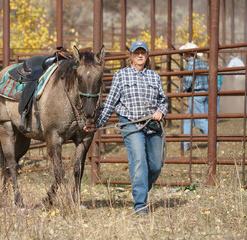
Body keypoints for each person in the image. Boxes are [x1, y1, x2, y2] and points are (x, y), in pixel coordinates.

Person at [84, 40, 168, 216]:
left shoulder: (155, 77)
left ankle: (142, 187)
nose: (139, 56)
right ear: (131, 56)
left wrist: (161, 111)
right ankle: (140, 205)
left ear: (146, 56)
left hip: (152, 125)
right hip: (131, 124)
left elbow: (163, 100)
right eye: (136, 53)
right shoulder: (121, 76)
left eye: (142, 53)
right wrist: (96, 124)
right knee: (138, 161)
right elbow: (110, 103)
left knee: (156, 165)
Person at [177, 42, 209, 151]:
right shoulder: (202, 63)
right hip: (202, 93)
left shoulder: (191, 64)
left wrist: (178, 92)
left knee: (200, 121)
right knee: (188, 119)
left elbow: (188, 82)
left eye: (185, 54)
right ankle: (185, 145)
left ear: (188, 54)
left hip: (195, 94)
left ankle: (214, 142)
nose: (184, 56)